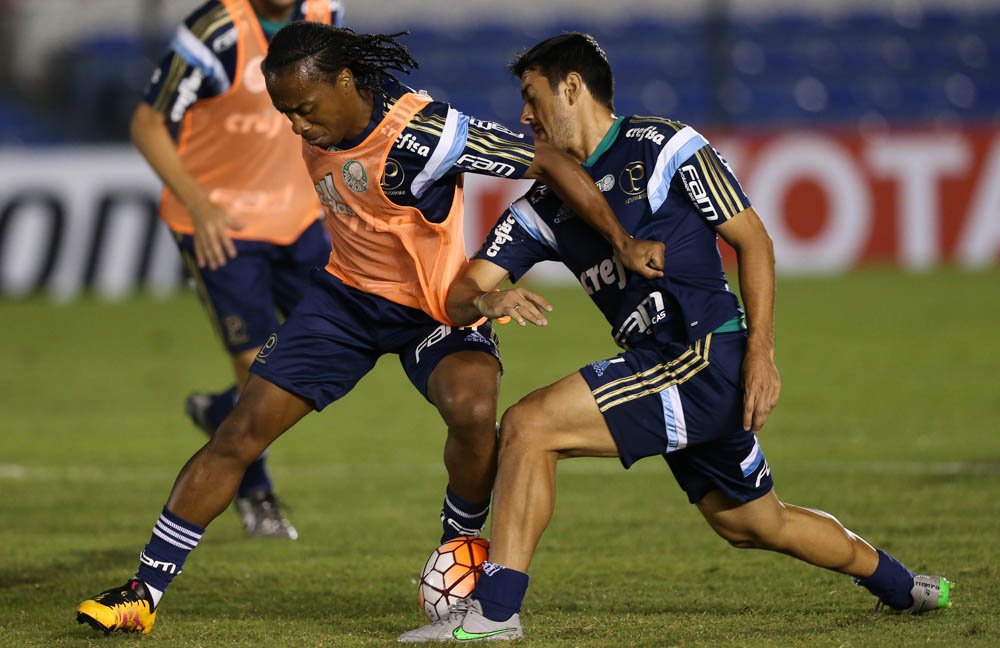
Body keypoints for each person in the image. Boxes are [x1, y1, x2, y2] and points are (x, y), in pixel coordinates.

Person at [76, 24, 664, 636]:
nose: (296, 127)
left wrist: (620, 240)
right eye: (284, 113)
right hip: (345, 303)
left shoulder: (424, 134)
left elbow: (544, 159)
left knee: (472, 409)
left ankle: (458, 544)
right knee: (240, 432)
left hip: (435, 309)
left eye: (303, 109)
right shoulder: (321, 114)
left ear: (345, 82)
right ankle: (142, 593)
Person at [397, 33, 952, 643]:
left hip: (704, 354)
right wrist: (489, 298)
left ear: (572, 87)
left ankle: (494, 615)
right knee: (752, 523)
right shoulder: (546, 204)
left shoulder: (664, 147)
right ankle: (907, 587)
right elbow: (459, 294)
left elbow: (753, 241)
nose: (523, 116)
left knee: (531, 426)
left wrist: (762, 354)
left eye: (531, 97)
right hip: (664, 366)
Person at [131, 0, 345, 540]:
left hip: (299, 220)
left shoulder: (325, 10)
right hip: (223, 226)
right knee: (257, 372)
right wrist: (199, 205)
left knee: (338, 346)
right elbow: (147, 123)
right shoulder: (214, 31)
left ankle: (221, 411)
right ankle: (258, 496)